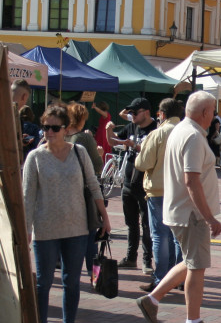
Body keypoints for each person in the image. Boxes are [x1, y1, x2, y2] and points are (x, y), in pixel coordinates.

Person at [135, 92, 221, 323]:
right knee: (197, 266)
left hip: (182, 210)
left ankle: (152, 299)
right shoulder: (193, 136)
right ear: (205, 113)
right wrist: (209, 217)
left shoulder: (182, 130)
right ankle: (192, 321)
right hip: (191, 213)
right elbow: (191, 180)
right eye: (213, 111)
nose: (214, 116)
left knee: (189, 261)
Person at [23, 104, 111, 323]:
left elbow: (94, 185)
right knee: (43, 281)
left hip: (77, 227)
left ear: (65, 129)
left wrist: (104, 216)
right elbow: (28, 196)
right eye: (45, 127)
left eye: (54, 128)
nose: (49, 132)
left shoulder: (79, 152)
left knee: (72, 280)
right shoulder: (35, 157)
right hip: (45, 229)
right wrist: (26, 229)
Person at [134, 98, 184, 292]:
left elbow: (143, 163)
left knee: (160, 236)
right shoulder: (188, 132)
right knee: (178, 236)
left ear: (162, 114)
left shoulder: (158, 133)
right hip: (181, 190)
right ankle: (180, 276)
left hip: (159, 189)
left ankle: (161, 278)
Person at [114, 98, 157, 271]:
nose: (131, 116)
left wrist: (136, 146)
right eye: (130, 113)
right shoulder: (132, 126)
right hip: (128, 181)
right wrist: (110, 132)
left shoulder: (156, 130)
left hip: (145, 184)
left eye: (135, 112)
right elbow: (115, 140)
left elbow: (155, 153)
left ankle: (147, 261)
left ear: (146, 112)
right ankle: (131, 258)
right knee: (131, 223)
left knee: (146, 225)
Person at [65, 103, 104, 280]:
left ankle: (69, 269)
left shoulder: (61, 137)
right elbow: (97, 165)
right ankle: (94, 276)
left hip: (67, 193)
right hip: (87, 192)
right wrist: (100, 153)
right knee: (91, 236)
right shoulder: (84, 139)